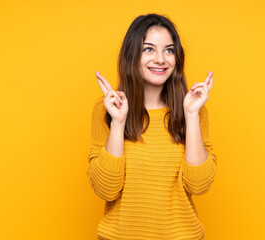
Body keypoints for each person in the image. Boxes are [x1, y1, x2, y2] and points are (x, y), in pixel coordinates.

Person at [87, 13, 217, 240]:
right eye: (149, 49)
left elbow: (199, 185)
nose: (161, 59)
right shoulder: (107, 108)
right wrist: (118, 122)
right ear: (131, 55)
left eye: (169, 50)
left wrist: (191, 115)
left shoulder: (193, 109)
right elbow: (105, 189)